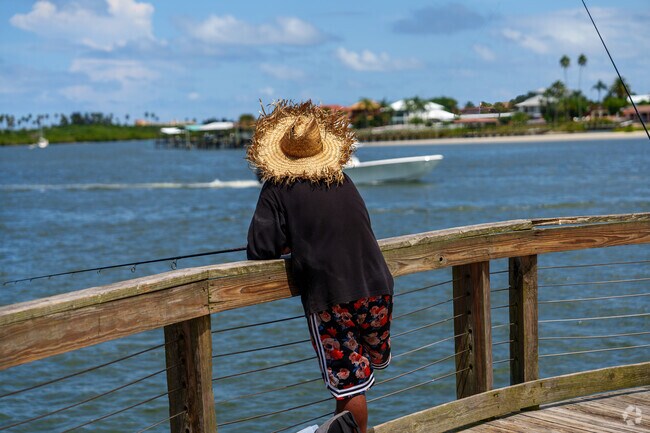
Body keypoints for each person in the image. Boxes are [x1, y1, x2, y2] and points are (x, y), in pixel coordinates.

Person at [246, 100, 394, 433]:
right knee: (362, 371)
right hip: (378, 287)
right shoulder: (341, 179)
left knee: (350, 385)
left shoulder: (277, 188)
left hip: (332, 296)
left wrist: (289, 245)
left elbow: (259, 249)